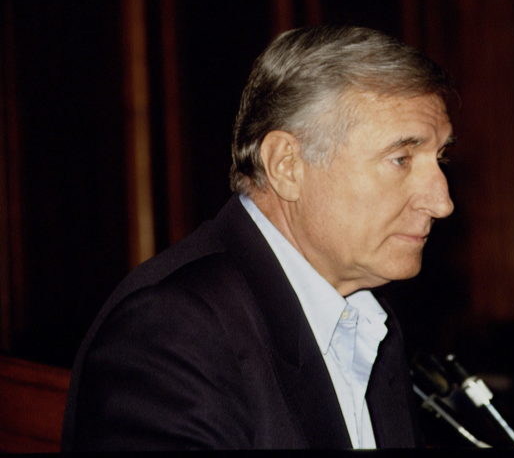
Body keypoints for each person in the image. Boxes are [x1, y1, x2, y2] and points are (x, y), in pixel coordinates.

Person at [61, 25, 456, 450]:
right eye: (400, 159)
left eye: (439, 158)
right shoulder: (173, 330)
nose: (442, 202)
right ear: (287, 165)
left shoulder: (368, 320)